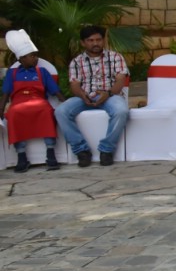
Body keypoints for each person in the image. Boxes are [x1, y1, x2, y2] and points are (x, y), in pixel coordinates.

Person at [55, 25, 129, 167]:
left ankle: (107, 150)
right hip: (85, 97)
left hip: (110, 95)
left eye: (98, 40)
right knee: (61, 111)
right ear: (83, 42)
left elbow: (121, 80)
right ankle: (81, 150)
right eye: (90, 40)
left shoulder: (115, 57)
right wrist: (82, 95)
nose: (95, 43)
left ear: (103, 40)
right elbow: (75, 85)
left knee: (121, 111)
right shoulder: (76, 62)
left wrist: (108, 93)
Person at [2, 29, 60, 172]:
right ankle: (21, 157)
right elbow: (6, 93)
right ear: (21, 59)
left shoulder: (42, 72)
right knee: (14, 113)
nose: (35, 59)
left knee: (46, 111)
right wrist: (1, 109)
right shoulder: (13, 73)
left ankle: (50, 153)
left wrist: (65, 103)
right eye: (32, 56)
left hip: (39, 101)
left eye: (36, 56)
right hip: (18, 103)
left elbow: (56, 91)